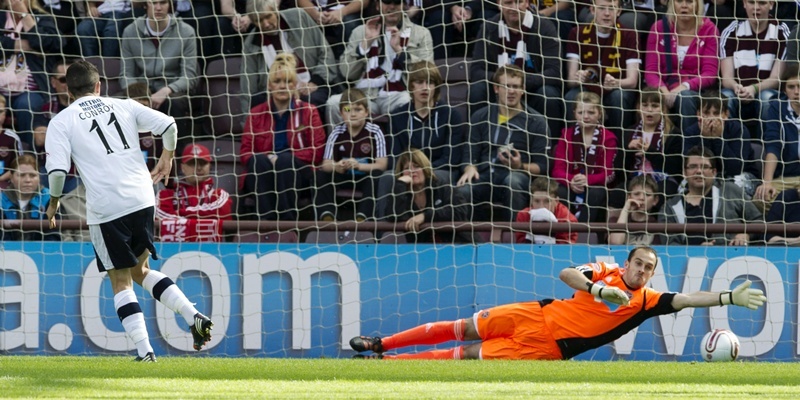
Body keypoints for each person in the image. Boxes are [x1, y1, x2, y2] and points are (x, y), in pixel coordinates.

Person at [44, 60, 213, 362]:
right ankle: (194, 316)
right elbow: (169, 125)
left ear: (68, 92)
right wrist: (167, 158)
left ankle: (145, 351)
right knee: (140, 270)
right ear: (99, 86)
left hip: (107, 206)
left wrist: (54, 201)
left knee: (120, 279)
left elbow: (57, 172)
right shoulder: (124, 105)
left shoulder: (62, 120)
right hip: (142, 197)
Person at [349, 246, 767, 360]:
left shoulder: (648, 301)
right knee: (463, 326)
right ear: (627, 262)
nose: (641, 271)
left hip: (547, 347)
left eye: (648, 268)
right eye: (637, 263)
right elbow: (567, 274)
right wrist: (600, 290)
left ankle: (385, 363)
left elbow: (691, 298)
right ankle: (381, 343)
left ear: (652, 274)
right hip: (538, 311)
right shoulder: (604, 269)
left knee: (465, 354)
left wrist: (728, 295)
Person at [456, 65, 550, 222]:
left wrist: (520, 166)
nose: (511, 91)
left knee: (512, 182)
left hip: (516, 177)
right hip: (485, 175)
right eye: (506, 86)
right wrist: (470, 167)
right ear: (496, 89)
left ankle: (515, 239)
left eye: (515, 87)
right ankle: (471, 239)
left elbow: (543, 166)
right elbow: (469, 154)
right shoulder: (480, 116)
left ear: (523, 90)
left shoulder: (537, 122)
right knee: (462, 190)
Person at [240, 55, 327, 221]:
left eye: (287, 81)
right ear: (269, 85)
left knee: (286, 162)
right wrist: (269, 158)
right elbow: (245, 153)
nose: (282, 86)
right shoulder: (256, 113)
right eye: (277, 81)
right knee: (259, 162)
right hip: (263, 173)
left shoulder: (309, 111)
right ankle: (265, 222)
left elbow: (317, 151)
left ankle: (287, 223)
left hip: (297, 175)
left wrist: (280, 159)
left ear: (294, 85)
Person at [377, 60, 465, 219]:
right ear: (411, 86)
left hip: (440, 170)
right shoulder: (397, 117)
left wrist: (422, 171)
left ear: (436, 87)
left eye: (430, 82)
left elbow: (451, 158)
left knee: (441, 177)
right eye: (419, 82)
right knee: (387, 178)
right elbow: (395, 157)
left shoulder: (451, 115)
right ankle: (383, 233)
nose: (425, 87)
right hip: (407, 170)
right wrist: (410, 170)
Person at [328, 0, 433, 126]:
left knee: (407, 103)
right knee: (335, 105)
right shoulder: (360, 32)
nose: (392, 7)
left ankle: (404, 146)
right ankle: (341, 145)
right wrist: (365, 45)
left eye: (396, 3)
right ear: (378, 5)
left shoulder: (420, 33)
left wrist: (400, 52)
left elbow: (427, 73)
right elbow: (347, 73)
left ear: (403, 6)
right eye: (387, 2)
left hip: (397, 97)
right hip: (364, 100)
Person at [469, 0, 563, 138]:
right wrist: (503, 82)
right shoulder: (489, 28)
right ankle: (479, 144)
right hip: (499, 92)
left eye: (518, 2)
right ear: (499, 4)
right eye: (508, 3)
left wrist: (519, 82)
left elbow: (555, 73)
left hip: (532, 91)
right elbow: (476, 71)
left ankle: (549, 148)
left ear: (526, 3)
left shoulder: (544, 26)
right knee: (477, 89)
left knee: (548, 94)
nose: (514, 8)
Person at [240, 0, 338, 115]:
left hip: (313, 85)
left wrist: (314, 82)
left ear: (276, 11)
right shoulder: (251, 44)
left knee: (309, 102)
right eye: (259, 20)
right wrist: (247, 126)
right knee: (257, 102)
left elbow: (325, 52)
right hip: (277, 94)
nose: (266, 24)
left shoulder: (299, 17)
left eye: (268, 16)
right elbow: (247, 87)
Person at [120, 0, 197, 142]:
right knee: (115, 103)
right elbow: (126, 73)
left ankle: (178, 155)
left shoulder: (186, 31)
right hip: (142, 87)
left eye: (163, 3)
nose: (158, 8)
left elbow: (189, 76)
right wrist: (138, 94)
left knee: (175, 104)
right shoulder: (131, 31)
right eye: (153, 3)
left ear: (170, 5)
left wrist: (166, 90)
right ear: (145, 5)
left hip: (171, 89)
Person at [659, 146, 763, 246]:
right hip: (689, 262)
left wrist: (747, 234)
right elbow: (670, 244)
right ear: (684, 172)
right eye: (693, 166)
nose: (699, 171)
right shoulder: (669, 208)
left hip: (732, 259)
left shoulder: (730, 191)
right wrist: (696, 250)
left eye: (705, 167)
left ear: (714, 172)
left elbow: (759, 220)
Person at [644, 0, 719, 133]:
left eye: (689, 1)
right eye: (679, 1)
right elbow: (651, 71)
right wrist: (665, 92)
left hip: (695, 91)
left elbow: (710, 73)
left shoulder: (709, 29)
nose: (684, 5)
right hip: (663, 87)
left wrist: (683, 87)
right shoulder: (659, 28)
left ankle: (689, 147)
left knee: (685, 97)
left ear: (697, 5)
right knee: (649, 98)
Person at [565, 0, 640, 133]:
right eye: (601, 8)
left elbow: (632, 81)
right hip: (587, 88)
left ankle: (619, 145)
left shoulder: (629, 35)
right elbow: (570, 80)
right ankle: (573, 143)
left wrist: (615, 82)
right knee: (572, 96)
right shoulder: (577, 33)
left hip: (615, 89)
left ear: (619, 11)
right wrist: (579, 78)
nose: (607, 14)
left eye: (611, 8)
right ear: (592, 10)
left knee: (619, 97)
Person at [719, 0, 788, 141]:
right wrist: (736, 87)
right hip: (737, 91)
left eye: (762, 3)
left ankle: (767, 149)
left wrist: (754, 88)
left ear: (771, 5)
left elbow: (776, 78)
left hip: (765, 91)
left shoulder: (781, 32)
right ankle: (728, 148)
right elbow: (726, 78)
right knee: (724, 98)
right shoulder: (731, 31)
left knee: (767, 99)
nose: (756, 8)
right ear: (744, 4)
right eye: (751, 2)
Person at [317, 88, 388, 221]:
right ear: (341, 113)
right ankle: (327, 215)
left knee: (377, 177)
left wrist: (359, 166)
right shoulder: (336, 132)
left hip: (364, 178)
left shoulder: (375, 131)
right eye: (348, 110)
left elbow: (382, 165)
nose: (353, 114)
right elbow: (326, 164)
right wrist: (337, 166)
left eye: (358, 109)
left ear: (367, 112)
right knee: (320, 175)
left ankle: (363, 216)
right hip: (343, 176)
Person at [0, 0, 62, 148]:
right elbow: (35, 45)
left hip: (31, 89)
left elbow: (51, 43)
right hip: (1, 90)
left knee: (26, 105)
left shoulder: (42, 17)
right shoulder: (1, 17)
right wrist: (22, 45)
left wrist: (24, 14)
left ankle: (30, 157)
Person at [552, 91, 617, 223]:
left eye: (591, 113)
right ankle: (563, 231)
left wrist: (587, 180)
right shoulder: (566, 135)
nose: (585, 117)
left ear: (599, 113)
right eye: (581, 113)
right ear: (574, 113)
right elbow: (557, 170)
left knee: (596, 193)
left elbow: (608, 172)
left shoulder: (609, 138)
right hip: (571, 183)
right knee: (560, 191)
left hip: (595, 185)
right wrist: (571, 180)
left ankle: (582, 234)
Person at [612, 87, 683, 208]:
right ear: (638, 108)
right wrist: (629, 150)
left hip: (663, 180)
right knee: (617, 194)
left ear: (663, 108)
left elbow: (675, 168)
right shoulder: (629, 132)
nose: (649, 110)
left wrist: (650, 152)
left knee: (660, 194)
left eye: (655, 106)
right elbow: (619, 170)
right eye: (644, 105)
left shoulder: (673, 133)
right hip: (636, 180)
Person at [382, 148, 470, 243]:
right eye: (407, 168)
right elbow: (392, 216)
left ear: (425, 168)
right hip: (422, 250)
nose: (412, 171)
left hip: (458, 245)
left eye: (416, 166)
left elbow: (459, 211)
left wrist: (424, 216)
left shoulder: (441, 185)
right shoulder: (402, 194)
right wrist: (400, 185)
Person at [682, 90, 758, 195]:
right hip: (705, 174)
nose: (711, 117)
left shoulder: (738, 130)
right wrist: (706, 138)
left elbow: (735, 168)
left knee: (732, 187)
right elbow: (691, 166)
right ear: (698, 114)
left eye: (716, 113)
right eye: (706, 113)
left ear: (726, 114)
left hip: (739, 175)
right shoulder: (690, 132)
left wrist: (717, 138)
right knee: (683, 188)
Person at [156, 143, 233, 242]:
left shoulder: (219, 194)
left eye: (203, 163)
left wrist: (180, 213)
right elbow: (159, 217)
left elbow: (223, 213)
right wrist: (200, 217)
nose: (199, 168)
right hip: (173, 252)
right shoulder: (165, 195)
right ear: (183, 167)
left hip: (213, 252)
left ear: (210, 166)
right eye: (193, 163)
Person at [754, 62, 800, 213]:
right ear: (785, 90)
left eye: (799, 86)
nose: (796, 91)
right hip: (785, 177)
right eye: (791, 87)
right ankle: (779, 235)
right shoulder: (777, 108)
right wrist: (767, 182)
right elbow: (773, 145)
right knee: (760, 199)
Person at [0, 154, 59, 241]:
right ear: (11, 178)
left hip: (42, 251)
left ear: (39, 177)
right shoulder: (1, 201)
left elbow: (53, 235)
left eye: (32, 175)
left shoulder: (50, 200)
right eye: (22, 175)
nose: (28, 180)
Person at [296, 0, 369, 60]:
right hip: (316, 11)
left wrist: (341, 12)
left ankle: (346, 67)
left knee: (350, 23)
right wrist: (315, 14)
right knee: (297, 20)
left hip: (346, 11)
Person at [514, 176, 578, 244]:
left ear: (556, 201)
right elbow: (521, 246)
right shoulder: (522, 216)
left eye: (547, 201)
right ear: (531, 201)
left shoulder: (568, 220)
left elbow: (563, 250)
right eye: (537, 201)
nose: (541, 207)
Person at [607, 174, 661, 245]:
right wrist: (626, 209)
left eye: (647, 194)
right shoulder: (615, 221)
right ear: (629, 197)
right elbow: (615, 243)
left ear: (655, 200)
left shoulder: (658, 226)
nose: (641, 198)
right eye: (636, 194)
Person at [0, 95, 23, 184]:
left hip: (5, 184)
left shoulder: (12, 138)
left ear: (5, 113)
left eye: (0, 111)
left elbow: (19, 165)